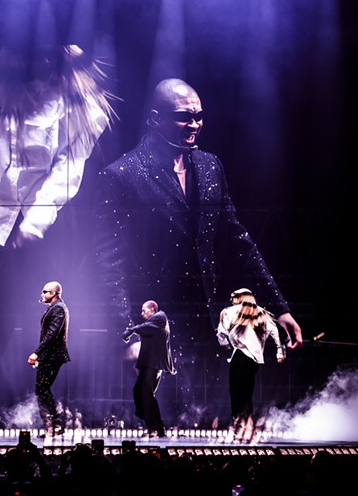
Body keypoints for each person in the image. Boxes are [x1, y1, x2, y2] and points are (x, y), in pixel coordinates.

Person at [92, 77, 303, 426]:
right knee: (163, 435)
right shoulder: (121, 176)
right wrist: (126, 334)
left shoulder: (209, 167)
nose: (194, 124)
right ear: (155, 118)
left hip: (208, 324)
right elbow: (107, 262)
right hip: (157, 330)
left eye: (198, 116)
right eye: (183, 117)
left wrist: (279, 308)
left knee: (210, 426)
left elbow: (239, 242)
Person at [0, 43, 117, 249]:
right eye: (37, 56)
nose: (45, 63)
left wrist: (35, 223)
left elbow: (68, 169)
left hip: (47, 225)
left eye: (49, 56)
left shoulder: (74, 102)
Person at [216, 287, 287, 442]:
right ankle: (248, 428)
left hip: (240, 356)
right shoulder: (261, 312)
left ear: (240, 297)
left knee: (236, 393)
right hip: (254, 359)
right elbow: (275, 331)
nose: (232, 300)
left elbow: (221, 331)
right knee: (246, 393)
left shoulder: (229, 311)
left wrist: (224, 343)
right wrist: (279, 352)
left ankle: (240, 427)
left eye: (233, 297)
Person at [122, 300, 176, 438]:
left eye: (144, 310)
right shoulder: (154, 321)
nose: (142, 313)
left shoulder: (160, 317)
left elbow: (145, 327)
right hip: (148, 364)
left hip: (154, 364)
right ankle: (150, 420)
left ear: (152, 309)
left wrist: (130, 331)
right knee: (139, 391)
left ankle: (156, 427)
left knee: (146, 394)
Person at [28, 281, 71, 437]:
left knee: (42, 389)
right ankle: (51, 426)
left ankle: (55, 424)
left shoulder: (59, 308)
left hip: (53, 356)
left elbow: (52, 334)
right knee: (41, 389)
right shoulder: (55, 308)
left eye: (45, 291)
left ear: (54, 294)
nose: (42, 294)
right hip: (49, 355)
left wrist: (37, 353)